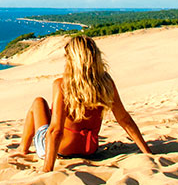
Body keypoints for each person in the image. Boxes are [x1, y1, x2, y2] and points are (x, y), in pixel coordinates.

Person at [17, 35, 152, 171]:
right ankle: (24, 149)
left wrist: (47, 169)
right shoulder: (106, 83)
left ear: (72, 60)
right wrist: (147, 151)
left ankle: (22, 149)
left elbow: (55, 131)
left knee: (38, 102)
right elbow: (124, 119)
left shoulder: (62, 85)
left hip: (61, 151)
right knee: (53, 114)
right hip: (90, 151)